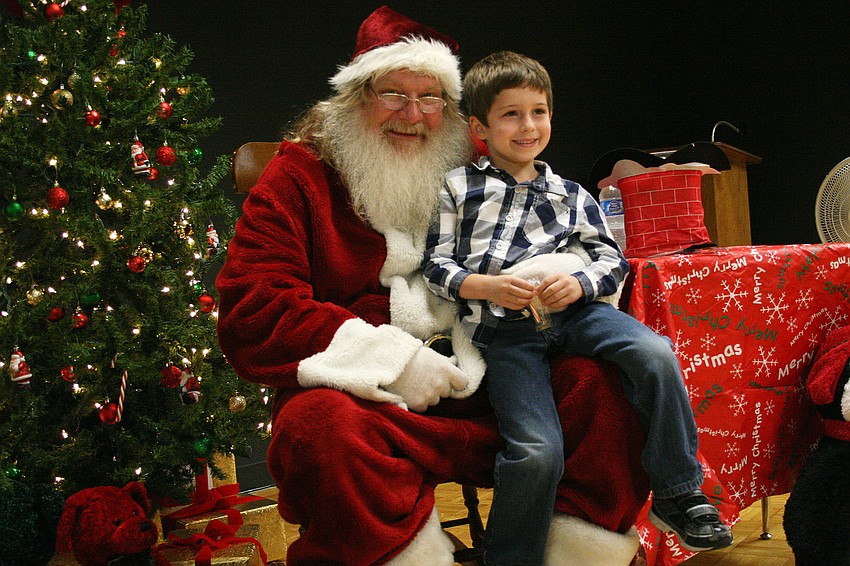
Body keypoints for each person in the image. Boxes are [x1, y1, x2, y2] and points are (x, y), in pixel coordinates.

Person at [217, 7, 649, 565]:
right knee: (319, 429)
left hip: (494, 365)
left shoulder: (483, 168)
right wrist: (392, 362)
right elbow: (256, 308)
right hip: (369, 393)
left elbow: (563, 242)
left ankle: (568, 553)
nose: (413, 115)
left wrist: (551, 280)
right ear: (353, 99)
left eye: (431, 98)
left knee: (604, 386)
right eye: (393, 95)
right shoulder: (299, 176)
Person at [423, 50, 733, 562]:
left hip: (578, 313)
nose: (528, 125)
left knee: (654, 352)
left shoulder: (570, 194)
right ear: (479, 125)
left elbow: (612, 259)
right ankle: (510, 557)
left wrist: (580, 283)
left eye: (539, 111)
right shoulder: (458, 189)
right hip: (507, 332)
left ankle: (679, 491)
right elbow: (435, 266)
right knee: (537, 452)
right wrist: (486, 286)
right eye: (511, 113)